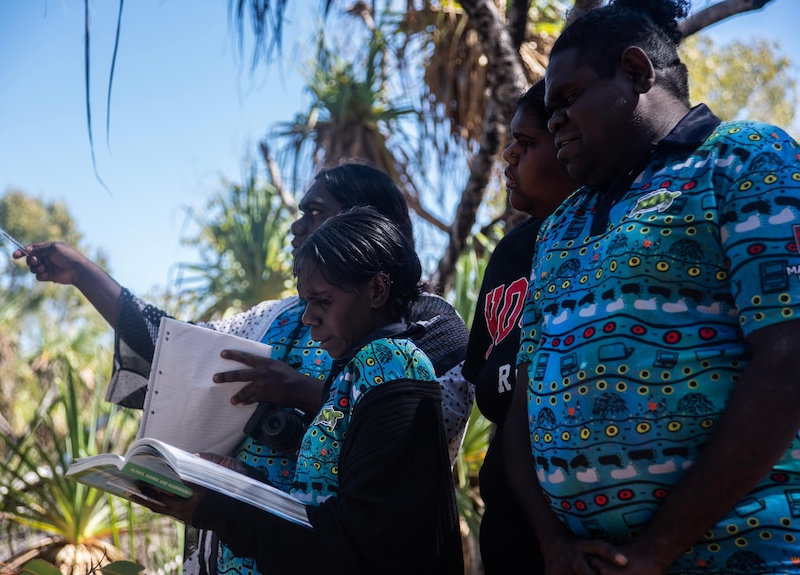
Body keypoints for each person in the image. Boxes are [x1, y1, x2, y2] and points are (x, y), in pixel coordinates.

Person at [17, 162, 472, 574]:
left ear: (366, 226)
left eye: (315, 213)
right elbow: (174, 350)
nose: (297, 227)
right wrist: (83, 274)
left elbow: (417, 434)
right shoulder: (273, 317)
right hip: (241, 544)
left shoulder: (426, 325)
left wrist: (300, 391)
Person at [506, 0, 800, 573]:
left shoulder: (747, 160)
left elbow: (789, 358)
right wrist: (552, 542)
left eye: (567, 99)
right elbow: (522, 400)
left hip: (746, 559)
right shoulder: (560, 226)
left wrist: (655, 550)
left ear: (638, 72)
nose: (556, 120)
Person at [148, 206, 464, 575]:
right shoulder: (356, 369)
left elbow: (367, 537)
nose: (308, 317)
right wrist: (245, 482)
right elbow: (328, 499)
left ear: (377, 289)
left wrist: (223, 510)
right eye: (306, 302)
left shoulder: (391, 365)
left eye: (323, 301)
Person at [462, 78, 579, 574]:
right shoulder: (509, 253)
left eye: (527, 143)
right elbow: (482, 378)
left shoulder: (614, 239)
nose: (507, 156)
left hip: (585, 536)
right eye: (509, 141)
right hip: (512, 530)